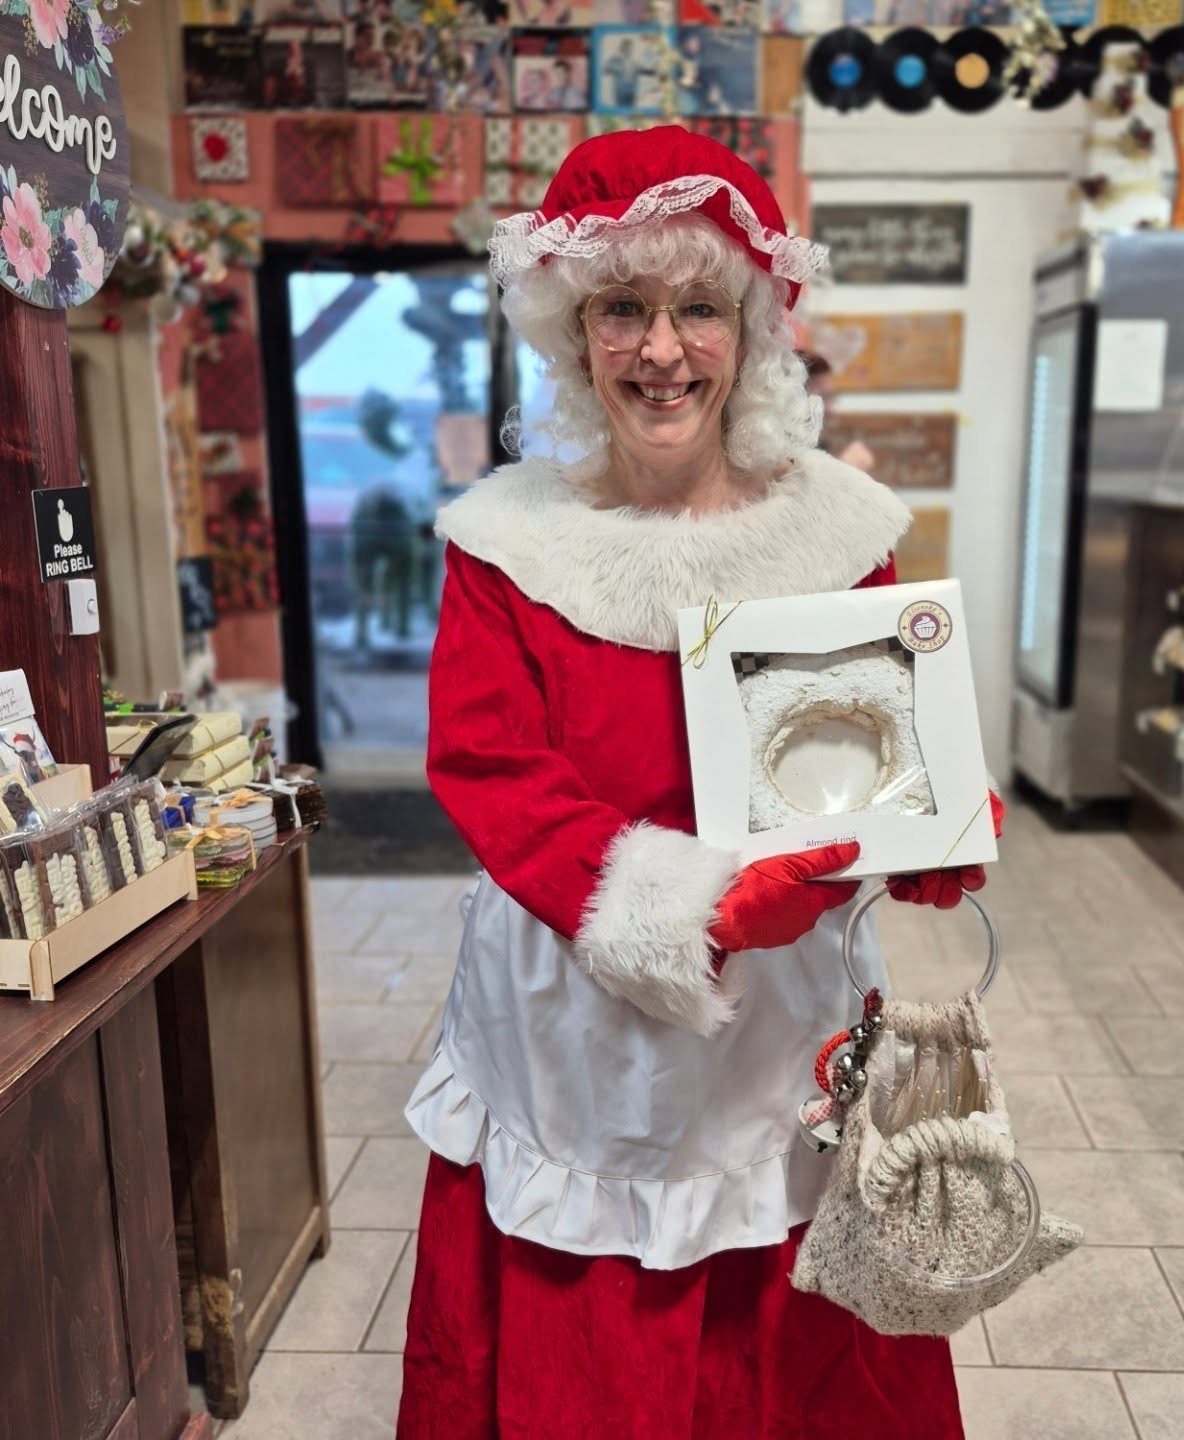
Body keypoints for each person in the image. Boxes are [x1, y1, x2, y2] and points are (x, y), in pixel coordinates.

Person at [398, 127, 992, 1437]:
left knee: (785, 1321)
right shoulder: (504, 544)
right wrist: (696, 909)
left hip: (787, 1015)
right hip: (577, 1011)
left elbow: (867, 741)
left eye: (699, 309)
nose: (662, 351)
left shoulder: (836, 529)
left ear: (751, 329)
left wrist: (928, 825)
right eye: (623, 308)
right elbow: (494, 770)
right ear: (574, 332)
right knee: (594, 1328)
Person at [801, 349, 877, 472]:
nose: (832, 411)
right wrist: (846, 471)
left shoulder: (819, 447)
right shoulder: (777, 460)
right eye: (822, 399)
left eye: (831, 397)